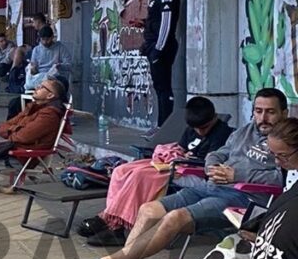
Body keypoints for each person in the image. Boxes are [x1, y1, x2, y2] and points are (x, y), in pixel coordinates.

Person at [73, 88, 287, 259]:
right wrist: (212, 168)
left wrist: (237, 174)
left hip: (242, 198)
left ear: (284, 113)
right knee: (149, 210)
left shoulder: (288, 141)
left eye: (270, 112)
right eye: (258, 111)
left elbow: (281, 178)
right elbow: (217, 153)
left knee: (175, 218)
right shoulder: (244, 132)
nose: (263, 118)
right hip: (210, 186)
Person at [130, 118, 298, 259]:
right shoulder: (290, 170)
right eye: (274, 156)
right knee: (234, 244)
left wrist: (266, 235)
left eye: (282, 156)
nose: (278, 162)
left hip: (285, 252)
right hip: (276, 237)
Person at [78, 97, 234, 246]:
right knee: (122, 170)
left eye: (204, 128)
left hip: (193, 172)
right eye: (196, 129)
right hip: (175, 164)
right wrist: (178, 153)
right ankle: (110, 216)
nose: (199, 132)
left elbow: (211, 162)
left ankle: (117, 226)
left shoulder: (223, 134)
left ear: (213, 118)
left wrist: (186, 157)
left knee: (140, 176)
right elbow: (181, 147)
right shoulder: (192, 128)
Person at [137, 0, 182, 128]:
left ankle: (164, 127)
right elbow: (157, 23)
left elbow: (166, 24)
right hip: (154, 48)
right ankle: (160, 126)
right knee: (159, 89)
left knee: (164, 90)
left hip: (162, 49)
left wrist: (158, 50)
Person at [25, 14, 72, 90]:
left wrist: (60, 66)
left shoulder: (60, 47)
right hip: (41, 77)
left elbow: (69, 64)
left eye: (48, 39)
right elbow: (34, 67)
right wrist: (32, 68)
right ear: (40, 39)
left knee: (60, 82)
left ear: (52, 37)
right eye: (43, 40)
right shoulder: (36, 50)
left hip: (56, 77)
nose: (45, 42)